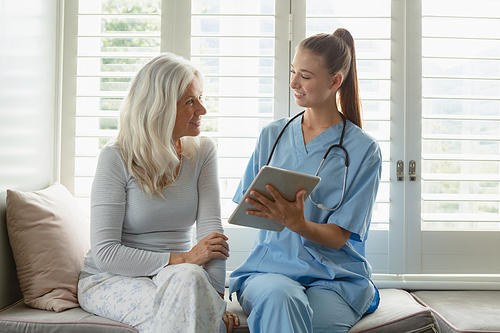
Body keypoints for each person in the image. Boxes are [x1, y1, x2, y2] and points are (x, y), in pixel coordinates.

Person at [228, 28, 382, 333]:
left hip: (335, 278)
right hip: (271, 270)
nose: (293, 83)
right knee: (280, 298)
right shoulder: (273, 135)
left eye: (306, 76)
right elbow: (248, 206)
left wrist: (298, 223)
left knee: (305, 321)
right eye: (293, 72)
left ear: (335, 81)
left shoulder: (363, 150)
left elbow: (339, 236)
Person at [78, 53, 239, 333]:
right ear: (160, 108)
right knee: (185, 300)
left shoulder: (203, 152)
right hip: (112, 278)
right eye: (190, 101)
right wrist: (185, 259)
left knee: (190, 284)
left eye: (200, 97)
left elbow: (211, 237)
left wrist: (214, 300)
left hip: (180, 278)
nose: (202, 109)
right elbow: (105, 253)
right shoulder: (115, 157)